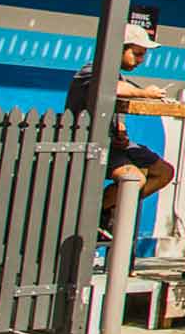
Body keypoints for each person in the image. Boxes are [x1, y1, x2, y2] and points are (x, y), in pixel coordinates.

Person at [63, 23, 175, 223]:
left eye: (143, 55)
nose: (141, 60)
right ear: (118, 49)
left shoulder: (119, 75)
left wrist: (121, 131)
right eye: (137, 54)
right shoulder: (91, 70)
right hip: (90, 142)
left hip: (114, 143)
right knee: (135, 179)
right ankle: (93, 217)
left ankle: (106, 209)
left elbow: (116, 107)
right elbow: (112, 88)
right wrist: (144, 93)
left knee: (164, 172)